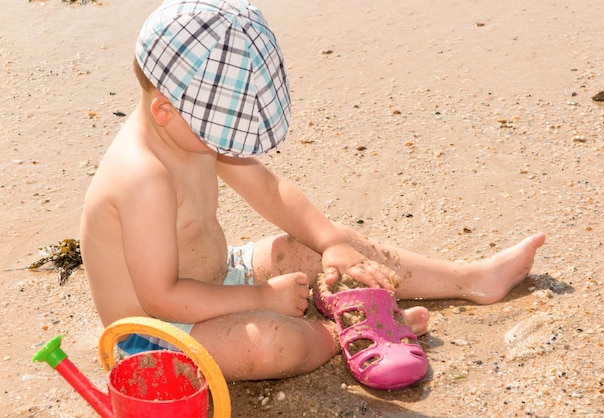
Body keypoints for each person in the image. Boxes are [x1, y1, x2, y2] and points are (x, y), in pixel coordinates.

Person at [79, 0, 545, 382]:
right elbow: (161, 297)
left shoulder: (187, 130)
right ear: (164, 109)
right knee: (269, 343)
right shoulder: (144, 179)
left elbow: (269, 189)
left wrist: (331, 243)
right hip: (160, 333)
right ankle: (344, 332)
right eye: (224, 131)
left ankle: (469, 278)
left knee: (320, 244)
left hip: (222, 275)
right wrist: (262, 298)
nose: (228, 144)